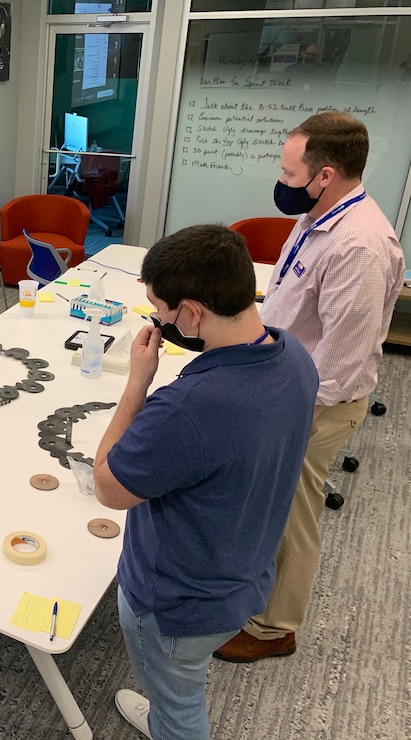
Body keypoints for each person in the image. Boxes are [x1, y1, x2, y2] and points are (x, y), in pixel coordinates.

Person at [92, 224, 318, 739]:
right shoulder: (295, 357)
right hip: (241, 572)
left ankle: (170, 722)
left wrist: (137, 383)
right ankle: (164, 713)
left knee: (180, 700)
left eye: (161, 309)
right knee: (180, 682)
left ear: (192, 312)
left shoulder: (190, 407)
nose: (158, 320)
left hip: (176, 602)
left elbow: (108, 488)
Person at [215, 111, 405, 663]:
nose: (281, 182)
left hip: (313, 404)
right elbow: (294, 300)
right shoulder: (321, 215)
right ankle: (251, 590)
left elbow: (340, 362)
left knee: (291, 511)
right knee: (268, 501)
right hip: (282, 379)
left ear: (324, 174)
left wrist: (283, 412)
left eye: (289, 172)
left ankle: (275, 628)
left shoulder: (359, 247)